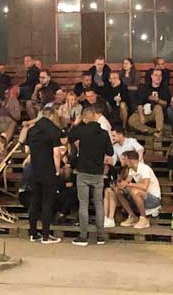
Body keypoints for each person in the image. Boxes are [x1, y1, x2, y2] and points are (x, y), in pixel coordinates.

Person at [69, 107, 114, 246]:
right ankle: (101, 235)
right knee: (99, 203)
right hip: (98, 172)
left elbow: (69, 137)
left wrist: (76, 124)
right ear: (95, 117)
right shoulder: (104, 133)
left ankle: (83, 236)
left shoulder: (81, 131)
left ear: (84, 118)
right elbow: (110, 152)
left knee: (84, 203)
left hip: (83, 171)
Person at [25, 105, 63, 243]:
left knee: (35, 201)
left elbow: (27, 150)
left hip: (35, 169)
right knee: (47, 203)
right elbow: (56, 153)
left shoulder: (32, 130)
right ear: (52, 116)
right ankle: (46, 235)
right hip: (48, 170)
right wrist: (57, 170)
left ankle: (33, 233)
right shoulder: (53, 130)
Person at [110, 149, 161, 230]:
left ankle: (143, 218)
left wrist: (128, 184)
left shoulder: (144, 168)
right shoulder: (131, 170)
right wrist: (119, 185)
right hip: (141, 198)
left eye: (123, 159)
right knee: (118, 191)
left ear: (127, 158)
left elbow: (145, 187)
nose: (122, 161)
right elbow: (126, 183)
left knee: (135, 191)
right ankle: (133, 216)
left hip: (153, 199)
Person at [128, 68, 168, 135]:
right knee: (131, 120)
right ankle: (153, 131)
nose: (158, 77)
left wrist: (158, 100)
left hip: (158, 113)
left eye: (160, 75)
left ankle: (159, 131)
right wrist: (141, 115)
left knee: (158, 107)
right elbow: (139, 103)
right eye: (156, 75)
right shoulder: (145, 87)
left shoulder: (164, 88)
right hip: (145, 111)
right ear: (151, 76)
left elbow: (166, 104)